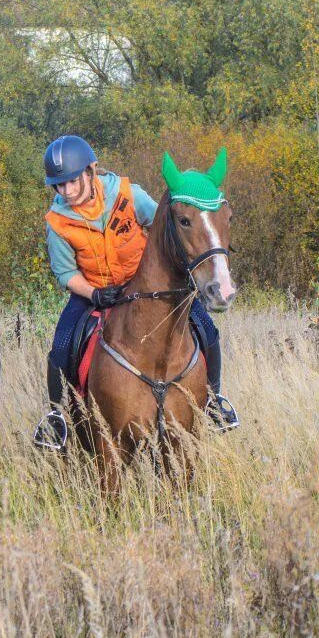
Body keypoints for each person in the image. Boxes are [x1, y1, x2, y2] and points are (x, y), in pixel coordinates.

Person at [35, 134, 238, 449]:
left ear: (91, 170)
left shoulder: (127, 194)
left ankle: (213, 401)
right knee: (62, 345)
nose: (67, 191)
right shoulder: (58, 221)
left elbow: (164, 228)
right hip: (95, 293)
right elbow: (65, 272)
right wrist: (93, 294)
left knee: (207, 330)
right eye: (59, 185)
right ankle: (57, 418)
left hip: (144, 285)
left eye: (72, 181)